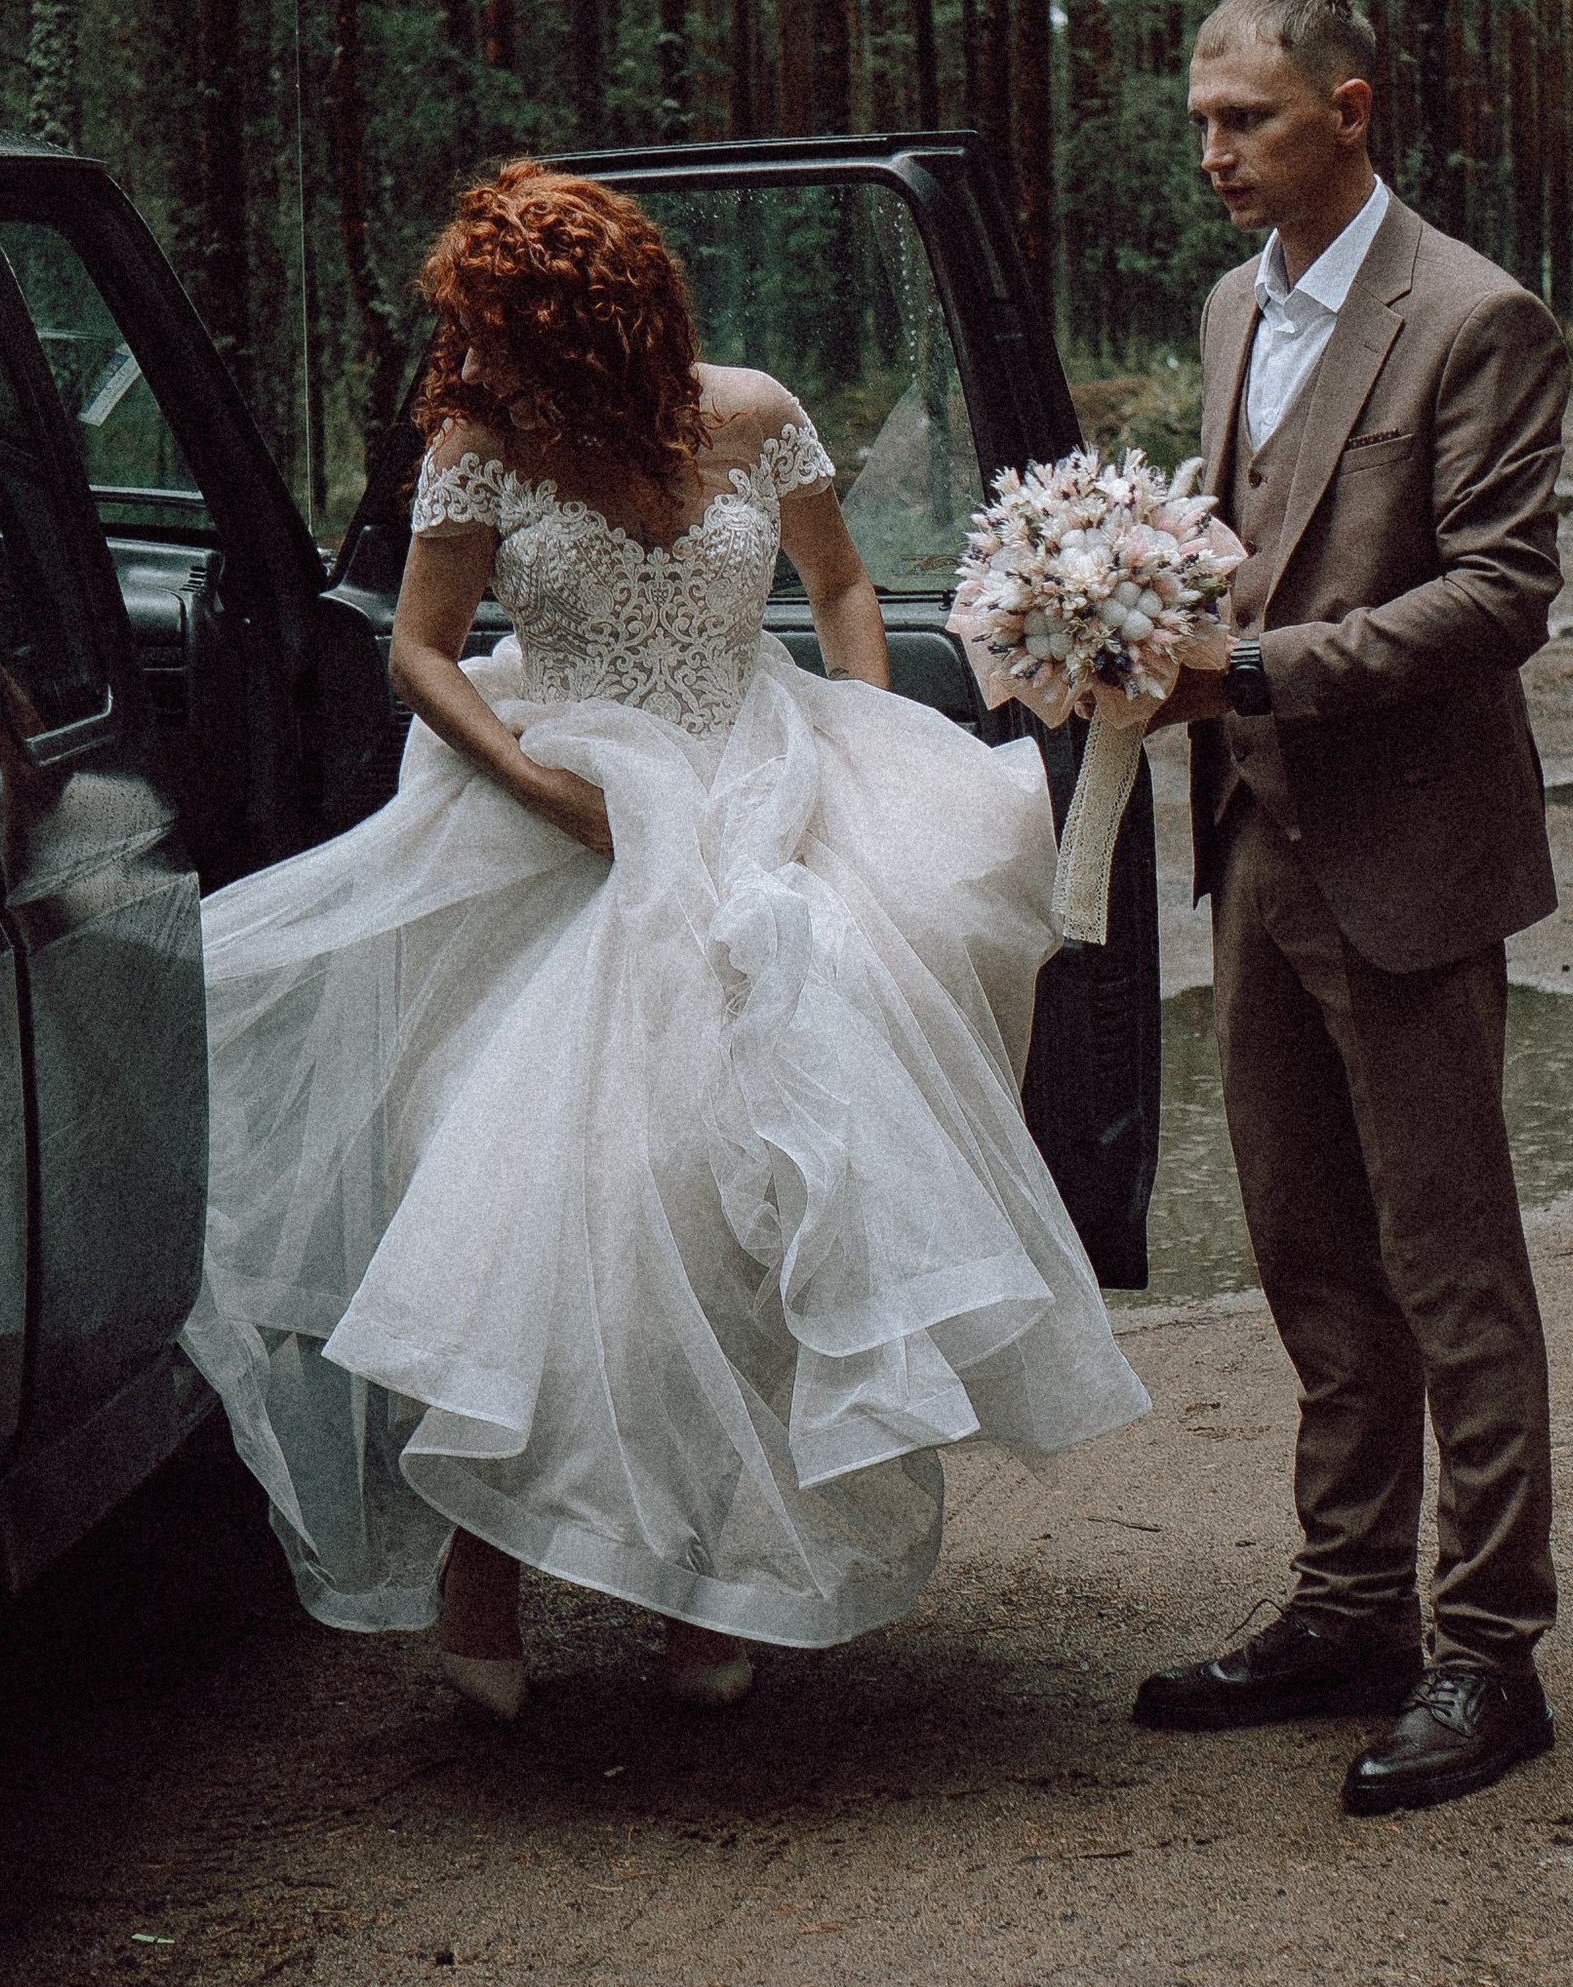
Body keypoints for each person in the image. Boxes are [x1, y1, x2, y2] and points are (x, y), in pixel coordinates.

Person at [186, 161, 1148, 1716]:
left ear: (589, 321)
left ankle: (719, 1572)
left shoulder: (757, 417)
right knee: (553, 1196)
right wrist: (547, 793)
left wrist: (853, 749)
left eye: (500, 327)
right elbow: (422, 656)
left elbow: (838, 587)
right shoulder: (479, 443)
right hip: (562, 807)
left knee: (762, 1189)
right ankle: (481, 1572)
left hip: (759, 799)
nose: (471, 359)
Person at [1125, 0, 1567, 1815]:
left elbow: (1502, 590)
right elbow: (1240, 539)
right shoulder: (1237, 308)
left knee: (1449, 1269)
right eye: (1206, 120)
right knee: (1309, 1256)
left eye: (1251, 120)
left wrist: (1251, 674)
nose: (1216, 152)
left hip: (1407, 859)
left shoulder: (1474, 316)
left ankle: (1487, 1655)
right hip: (1255, 857)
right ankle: (1348, 1608)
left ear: (1351, 112)